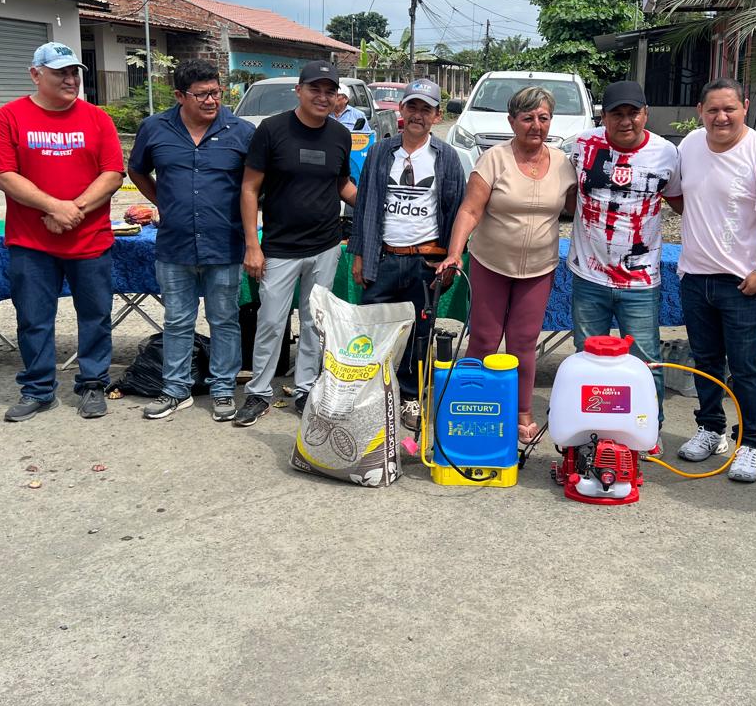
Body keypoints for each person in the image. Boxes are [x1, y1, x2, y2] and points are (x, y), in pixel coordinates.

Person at [0, 42, 124, 422]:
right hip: (31, 243)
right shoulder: (9, 117)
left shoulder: (97, 118)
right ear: (36, 74)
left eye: (74, 72)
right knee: (33, 318)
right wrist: (53, 207)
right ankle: (38, 388)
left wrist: (72, 210)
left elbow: (112, 174)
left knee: (95, 315)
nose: (70, 80)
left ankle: (93, 383)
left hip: (89, 239)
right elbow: (3, 175)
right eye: (60, 73)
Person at [437, 86, 577, 444]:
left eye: (543, 118)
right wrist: (454, 252)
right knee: (484, 338)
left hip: (539, 268)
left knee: (524, 341)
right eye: (528, 118)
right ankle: (475, 405)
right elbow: (470, 210)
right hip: (491, 263)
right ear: (512, 121)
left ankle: (522, 411)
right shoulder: (493, 160)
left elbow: (578, 208)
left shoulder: (563, 163)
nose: (536, 125)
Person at [672, 78, 756, 482]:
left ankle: (750, 443)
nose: (721, 117)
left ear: (745, 107)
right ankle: (711, 429)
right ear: (700, 111)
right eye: (712, 110)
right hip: (695, 277)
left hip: (744, 284)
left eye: (729, 109)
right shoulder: (690, 146)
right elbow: (680, 197)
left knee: (745, 368)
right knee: (705, 361)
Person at [127, 59, 254, 422]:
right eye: (202, 95)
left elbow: (254, 185)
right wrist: (163, 202)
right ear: (180, 96)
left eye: (216, 92)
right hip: (175, 244)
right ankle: (175, 389)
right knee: (177, 320)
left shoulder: (241, 131)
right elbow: (136, 170)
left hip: (224, 243)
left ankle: (223, 389)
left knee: (224, 319)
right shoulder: (155, 128)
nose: (211, 100)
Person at [236, 60, 357, 426]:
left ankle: (305, 389)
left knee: (314, 322)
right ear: (299, 91)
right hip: (280, 247)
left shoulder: (340, 135)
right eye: (315, 89)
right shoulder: (272, 130)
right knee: (271, 322)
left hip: (325, 245)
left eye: (329, 91)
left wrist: (373, 204)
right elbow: (249, 188)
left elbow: (341, 184)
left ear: (337, 97)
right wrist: (252, 244)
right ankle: (259, 392)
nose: (322, 97)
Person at [350, 78, 465, 431]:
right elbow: (364, 204)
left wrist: (449, 257)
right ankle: (370, 394)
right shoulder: (380, 152)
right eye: (412, 107)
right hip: (384, 258)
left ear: (437, 116)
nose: (418, 115)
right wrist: (360, 255)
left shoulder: (446, 157)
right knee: (373, 331)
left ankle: (411, 396)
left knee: (419, 334)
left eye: (425, 109)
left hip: (424, 261)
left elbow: (456, 209)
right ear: (401, 111)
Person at [567, 79, 680, 436]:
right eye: (617, 113)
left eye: (634, 113)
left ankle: (650, 432)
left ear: (646, 113)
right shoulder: (582, 145)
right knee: (587, 359)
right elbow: (564, 193)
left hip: (641, 281)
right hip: (589, 276)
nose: (626, 121)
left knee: (646, 362)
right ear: (604, 116)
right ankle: (590, 431)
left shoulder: (666, 153)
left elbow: (682, 202)